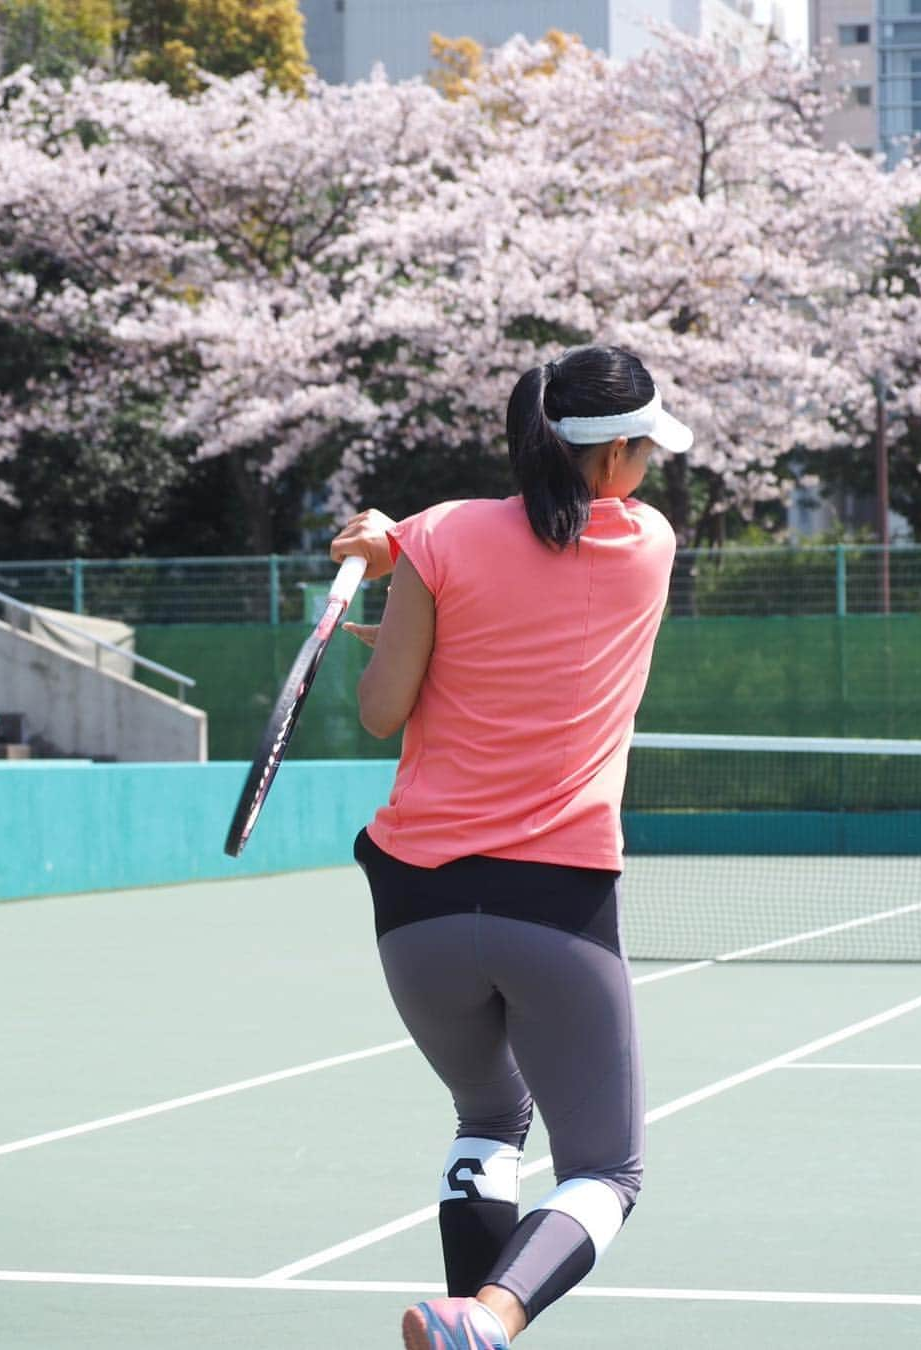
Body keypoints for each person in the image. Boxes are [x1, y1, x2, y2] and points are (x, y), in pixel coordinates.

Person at [329, 345, 692, 1350]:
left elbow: (384, 709)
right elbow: (536, 608)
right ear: (613, 455)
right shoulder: (647, 543)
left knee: (489, 1120)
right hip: (555, 904)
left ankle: (464, 1331)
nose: (651, 468)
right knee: (607, 1173)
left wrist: (390, 570)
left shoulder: (439, 539)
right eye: (645, 449)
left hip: (415, 912)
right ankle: (491, 1314)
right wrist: (405, 565)